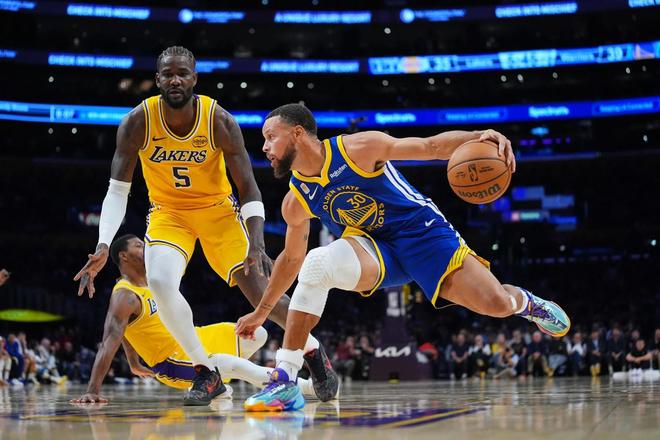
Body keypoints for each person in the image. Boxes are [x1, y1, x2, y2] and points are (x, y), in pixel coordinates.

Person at [236, 103, 571, 411]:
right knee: (316, 263)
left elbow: (431, 147)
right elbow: (291, 260)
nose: (264, 147)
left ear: (297, 133)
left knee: (496, 304)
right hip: (373, 247)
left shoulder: (358, 148)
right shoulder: (296, 200)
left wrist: (479, 136)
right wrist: (261, 312)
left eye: (270, 136)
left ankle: (527, 304)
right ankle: (285, 379)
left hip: (423, 234)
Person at [73, 47, 335, 405]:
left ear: (194, 78)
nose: (175, 80)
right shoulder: (138, 121)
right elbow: (118, 190)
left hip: (218, 213)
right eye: (168, 74)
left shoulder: (218, 120)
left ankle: (314, 353)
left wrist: (256, 242)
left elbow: (248, 186)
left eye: (182, 73)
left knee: (264, 296)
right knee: (160, 282)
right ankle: (206, 372)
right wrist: (104, 243)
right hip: (169, 214)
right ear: (158, 79)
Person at [71, 234, 316, 404]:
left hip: (195, 338)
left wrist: (134, 362)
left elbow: (126, 331)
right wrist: (92, 390)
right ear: (123, 256)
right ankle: (303, 386)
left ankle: (217, 386)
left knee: (258, 333)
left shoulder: (153, 281)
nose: (146, 248)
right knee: (227, 363)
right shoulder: (124, 295)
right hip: (171, 360)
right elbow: (110, 339)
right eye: (139, 245)